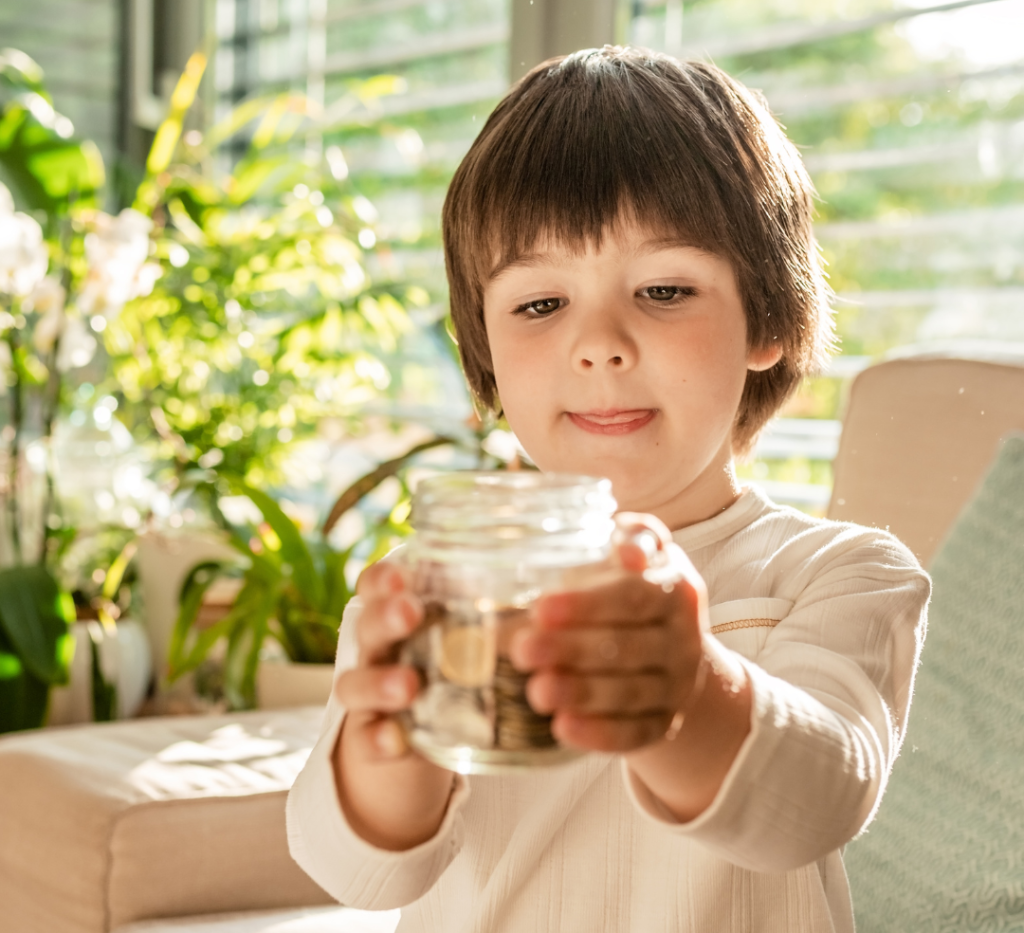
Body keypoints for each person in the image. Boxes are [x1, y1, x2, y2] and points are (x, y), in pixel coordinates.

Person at [286, 46, 930, 933]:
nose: (599, 344)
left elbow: (819, 801)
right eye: (539, 304)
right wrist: (385, 749)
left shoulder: (842, 573)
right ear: (485, 352)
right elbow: (356, 873)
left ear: (768, 321)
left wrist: (687, 691)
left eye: (664, 288)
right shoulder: (434, 584)